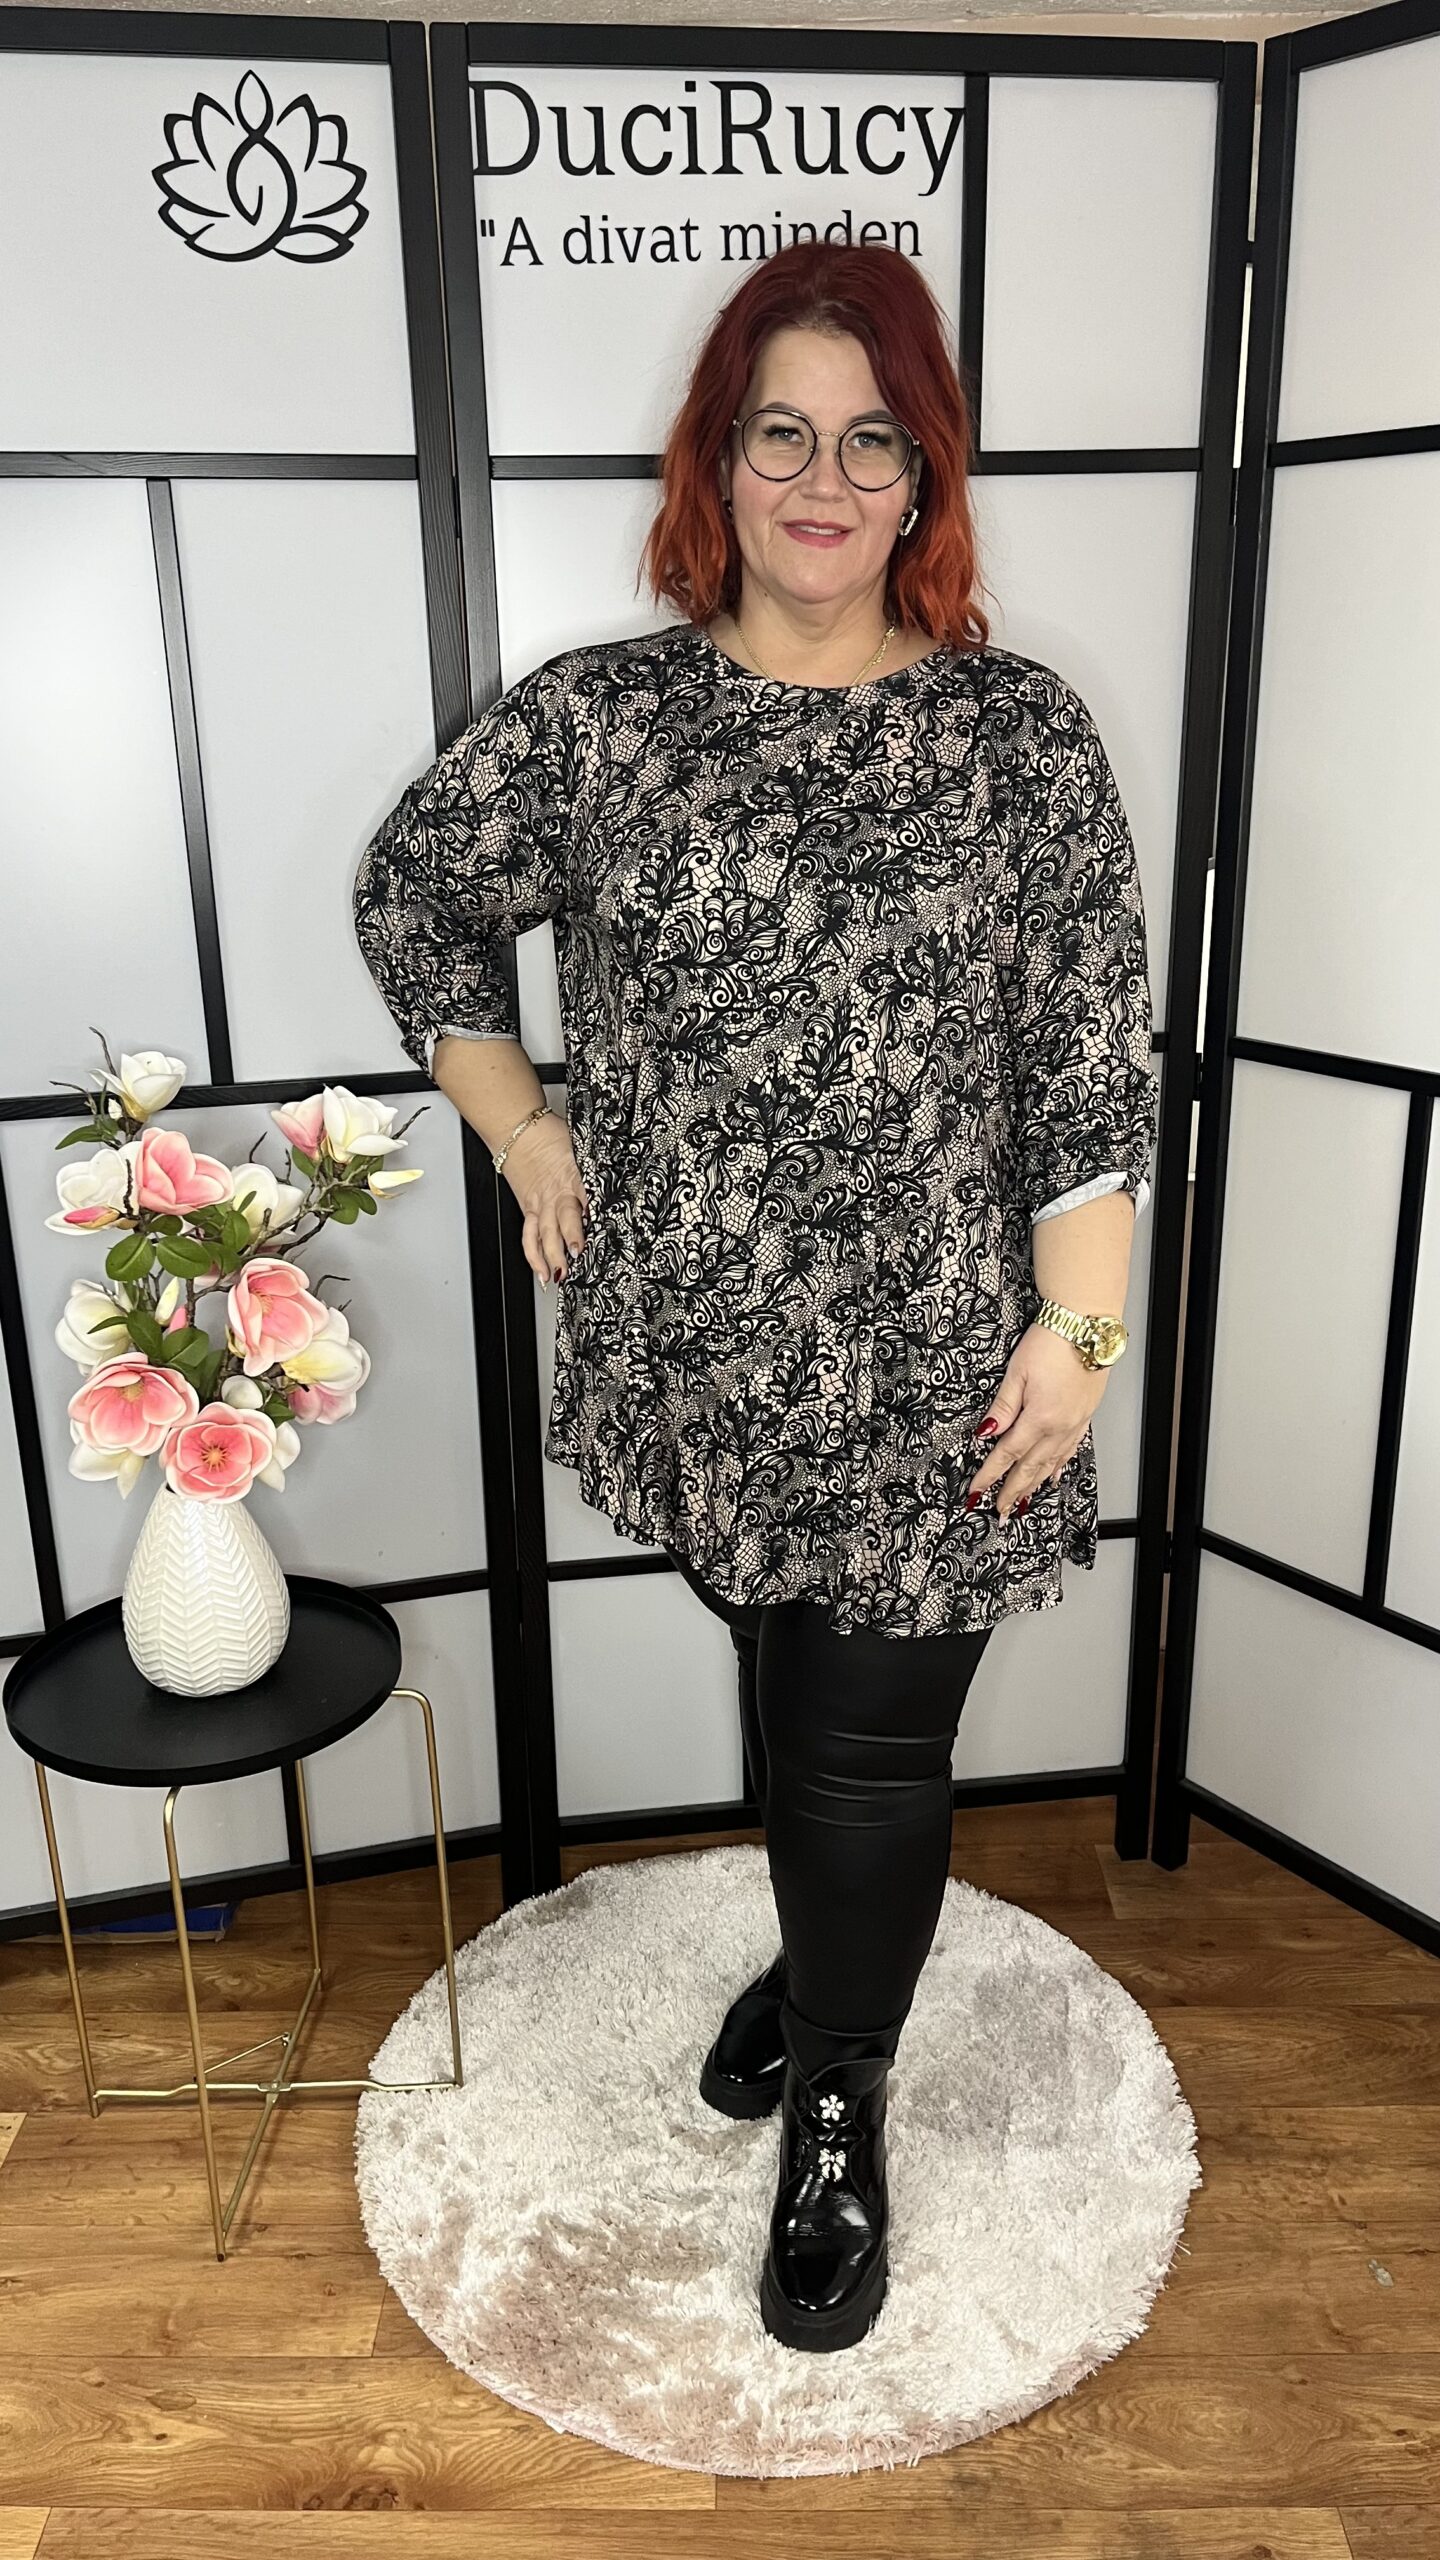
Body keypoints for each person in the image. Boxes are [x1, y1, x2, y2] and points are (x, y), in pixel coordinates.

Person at [352, 241, 1159, 2358]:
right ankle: (823, 1965)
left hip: (944, 1364)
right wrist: (525, 1126)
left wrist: (1080, 1339)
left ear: (925, 477)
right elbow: (417, 894)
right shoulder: (607, 724)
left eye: (871, 441)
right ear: (720, 461)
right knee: (799, 1698)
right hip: (700, 1347)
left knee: (870, 1748)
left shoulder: (1017, 739)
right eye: (780, 433)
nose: (823, 480)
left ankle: (838, 2108)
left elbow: (1091, 1068)